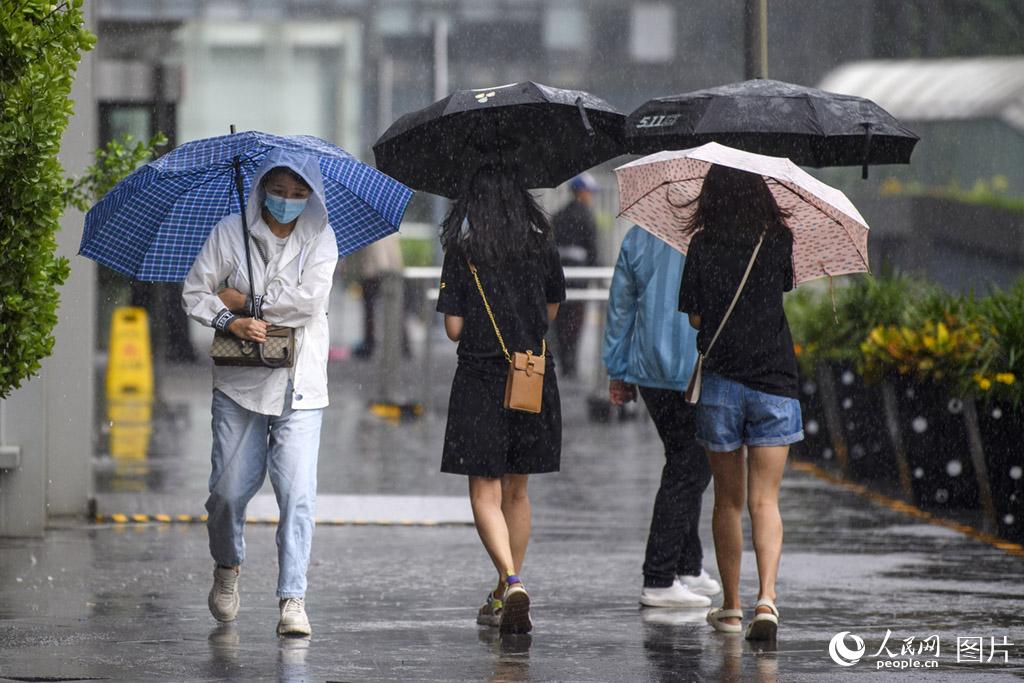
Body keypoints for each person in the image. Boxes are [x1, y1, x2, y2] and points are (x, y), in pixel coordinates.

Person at [182, 148, 339, 637]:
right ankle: (227, 565)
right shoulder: (230, 232)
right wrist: (229, 320)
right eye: (279, 191)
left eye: (298, 193)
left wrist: (247, 300)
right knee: (228, 493)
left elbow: (310, 302)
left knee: (297, 495)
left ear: (311, 197)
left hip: (300, 385)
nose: (287, 201)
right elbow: (195, 291)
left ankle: (293, 597)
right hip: (240, 385)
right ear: (261, 190)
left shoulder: (322, 237)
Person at [436, 163, 565, 635]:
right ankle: (504, 589)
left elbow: (453, 328)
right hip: (531, 375)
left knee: (485, 491)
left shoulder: (464, 251)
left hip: (480, 378)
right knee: (517, 490)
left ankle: (510, 581)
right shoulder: (541, 243)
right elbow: (550, 310)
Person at [677, 164, 803, 641]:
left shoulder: (702, 243)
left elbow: (695, 317)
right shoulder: (778, 239)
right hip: (774, 381)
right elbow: (782, 288)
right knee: (765, 500)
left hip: (722, 383)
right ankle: (766, 600)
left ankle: (731, 608)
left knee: (728, 502)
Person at [602, 225, 722, 609]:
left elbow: (621, 304)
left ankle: (688, 565)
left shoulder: (641, 234)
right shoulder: (711, 232)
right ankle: (659, 577)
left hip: (650, 369)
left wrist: (617, 367)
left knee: (683, 461)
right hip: (696, 366)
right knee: (690, 468)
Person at [552, 172, 599, 378]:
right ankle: (571, 363)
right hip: (580, 278)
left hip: (560, 275)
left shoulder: (558, 215)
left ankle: (564, 362)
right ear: (581, 192)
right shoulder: (586, 216)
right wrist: (595, 272)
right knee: (575, 320)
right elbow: (593, 250)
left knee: (560, 320)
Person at [353, 233, 403, 359]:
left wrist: (383, 269)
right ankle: (402, 345)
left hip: (375, 272)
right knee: (395, 309)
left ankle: (370, 345)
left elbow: (378, 250)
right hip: (390, 272)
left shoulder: (372, 228)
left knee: (370, 312)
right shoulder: (390, 229)